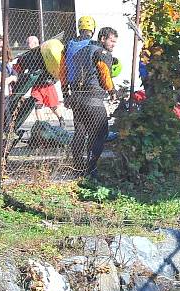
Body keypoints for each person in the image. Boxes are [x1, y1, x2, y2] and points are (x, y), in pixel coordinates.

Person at [62, 24, 117, 178]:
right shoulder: (101, 51)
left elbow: (64, 71)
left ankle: (78, 167)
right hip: (93, 99)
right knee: (101, 133)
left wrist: (66, 93)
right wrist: (112, 91)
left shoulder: (80, 50)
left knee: (80, 131)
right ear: (102, 38)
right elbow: (104, 73)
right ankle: (91, 170)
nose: (113, 45)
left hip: (77, 98)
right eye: (111, 41)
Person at [19, 35, 65, 128]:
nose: (27, 45)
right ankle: (42, 125)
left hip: (47, 83)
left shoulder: (44, 52)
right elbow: (19, 68)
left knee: (53, 106)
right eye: (27, 43)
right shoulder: (27, 56)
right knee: (37, 105)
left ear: (36, 43)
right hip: (36, 85)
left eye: (29, 43)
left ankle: (61, 119)